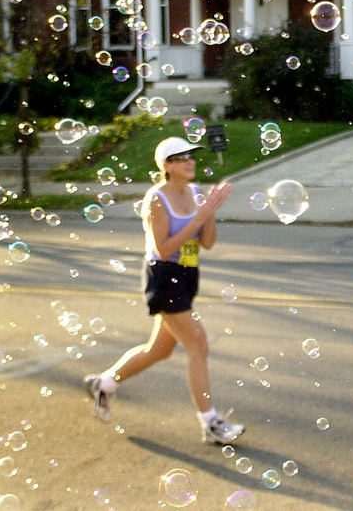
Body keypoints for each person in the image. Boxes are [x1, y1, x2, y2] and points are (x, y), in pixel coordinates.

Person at [84, 136, 244, 445]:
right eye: (181, 157)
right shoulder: (156, 199)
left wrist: (210, 211)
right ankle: (210, 424)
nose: (190, 161)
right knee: (197, 344)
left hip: (188, 274)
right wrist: (199, 215)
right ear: (167, 166)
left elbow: (207, 243)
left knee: (159, 349)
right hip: (164, 275)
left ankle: (103, 384)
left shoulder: (197, 193)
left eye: (191, 156)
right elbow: (165, 246)